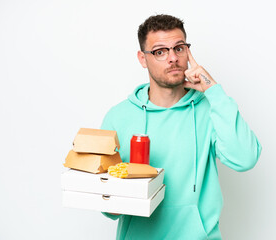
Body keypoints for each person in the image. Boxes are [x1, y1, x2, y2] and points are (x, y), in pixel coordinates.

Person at [101, 14, 262, 240]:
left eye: (179, 48)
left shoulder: (210, 108)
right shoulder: (118, 117)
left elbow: (245, 158)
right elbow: (108, 205)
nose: (172, 58)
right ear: (142, 58)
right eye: (160, 51)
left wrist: (213, 90)